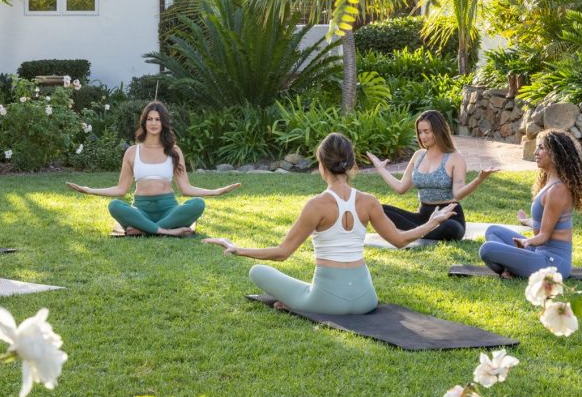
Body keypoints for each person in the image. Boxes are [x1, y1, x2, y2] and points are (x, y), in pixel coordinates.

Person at [202, 133, 456, 314]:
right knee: (304, 289)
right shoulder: (368, 201)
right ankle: (302, 300)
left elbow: (281, 254)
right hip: (366, 300)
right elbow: (400, 241)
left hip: (327, 301)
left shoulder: (317, 205)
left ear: (321, 164)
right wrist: (432, 222)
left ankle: (301, 302)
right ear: (351, 165)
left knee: (257, 272)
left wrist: (237, 248)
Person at [66, 101, 240, 235]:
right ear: (144, 122)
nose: (154, 123)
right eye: (150, 119)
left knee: (197, 204)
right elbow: (121, 190)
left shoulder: (174, 151)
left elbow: (186, 189)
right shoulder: (132, 152)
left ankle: (146, 229)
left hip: (169, 209)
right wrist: (89, 190)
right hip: (141, 210)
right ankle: (167, 231)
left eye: (158, 119)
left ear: (163, 123)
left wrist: (216, 192)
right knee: (115, 206)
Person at [478, 129, 582, 279]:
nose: (536, 152)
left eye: (541, 148)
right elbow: (546, 224)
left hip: (553, 263)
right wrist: (526, 221)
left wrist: (526, 242)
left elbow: (544, 235)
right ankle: (513, 268)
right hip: (539, 252)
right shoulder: (550, 181)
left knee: (487, 250)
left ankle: (512, 269)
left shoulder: (558, 189)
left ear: (555, 154)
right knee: (493, 231)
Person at [365, 110, 495, 241]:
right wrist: (381, 169)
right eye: (420, 132)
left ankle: (412, 233)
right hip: (423, 217)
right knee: (379, 209)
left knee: (450, 228)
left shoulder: (455, 157)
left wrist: (479, 178)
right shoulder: (418, 156)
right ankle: (420, 232)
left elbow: (458, 194)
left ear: (438, 131)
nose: (422, 136)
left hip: (448, 217)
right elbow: (401, 188)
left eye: (427, 132)